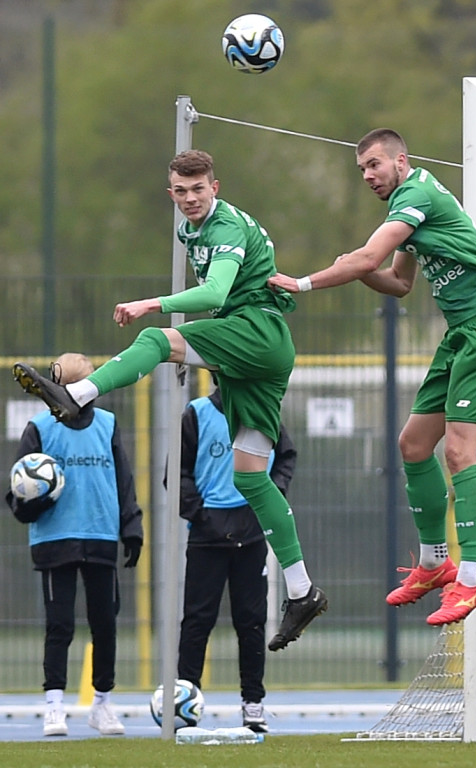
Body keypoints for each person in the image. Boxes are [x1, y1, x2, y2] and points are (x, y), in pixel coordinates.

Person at [11, 149, 326, 652]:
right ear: (170, 193)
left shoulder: (223, 228)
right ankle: (302, 589)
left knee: (156, 340)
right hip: (253, 350)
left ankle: (75, 395)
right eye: (180, 191)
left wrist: (152, 303)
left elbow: (218, 293)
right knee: (249, 476)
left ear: (215, 188)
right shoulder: (188, 231)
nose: (189, 199)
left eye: (198, 189)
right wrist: (202, 350)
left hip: (258, 333)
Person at [269, 128, 476, 626]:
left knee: (458, 452)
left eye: (374, 165)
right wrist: (357, 266)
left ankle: (473, 580)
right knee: (413, 445)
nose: (368, 175)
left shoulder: (417, 194)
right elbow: (399, 283)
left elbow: (369, 258)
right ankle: (435, 563)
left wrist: (304, 282)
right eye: (362, 169)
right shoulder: (407, 210)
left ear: (400, 160)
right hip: (461, 335)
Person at [4, 353, 143, 737]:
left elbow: (123, 479)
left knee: (105, 624)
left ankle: (102, 703)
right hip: (55, 537)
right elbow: (18, 487)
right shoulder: (38, 428)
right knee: (60, 624)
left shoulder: (108, 425)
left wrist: (131, 526)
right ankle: (54, 706)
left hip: (100, 534)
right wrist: (32, 504)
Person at [173, 386, 296, 733]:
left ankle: (253, 703)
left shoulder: (261, 408)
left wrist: (269, 499)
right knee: (197, 620)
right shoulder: (195, 414)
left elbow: (286, 456)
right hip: (206, 536)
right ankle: (187, 702)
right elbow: (178, 471)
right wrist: (199, 514)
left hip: (251, 533)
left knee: (251, 621)